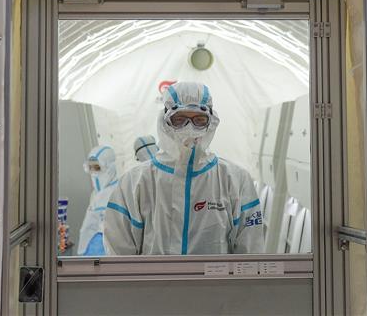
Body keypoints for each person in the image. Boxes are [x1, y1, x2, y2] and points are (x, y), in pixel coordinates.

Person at [103, 81, 263, 255]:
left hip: (213, 275)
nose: (189, 128)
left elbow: (250, 254)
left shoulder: (235, 180)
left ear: (211, 122)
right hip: (153, 275)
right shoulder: (134, 183)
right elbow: (119, 256)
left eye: (199, 120)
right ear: (165, 122)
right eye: (179, 120)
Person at [76, 144, 118, 256]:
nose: (93, 173)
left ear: (109, 167)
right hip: (88, 250)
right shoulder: (96, 194)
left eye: (97, 167)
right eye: (90, 168)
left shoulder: (117, 193)